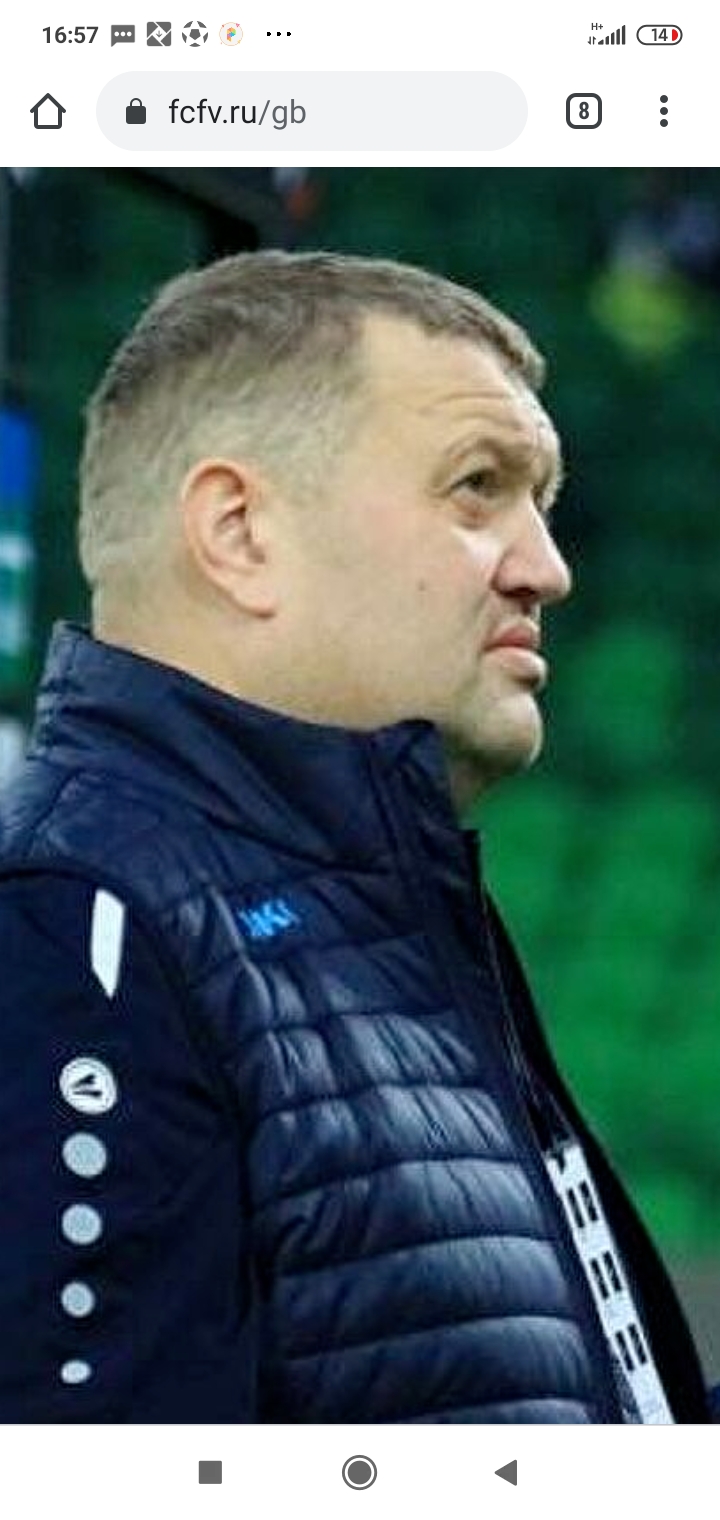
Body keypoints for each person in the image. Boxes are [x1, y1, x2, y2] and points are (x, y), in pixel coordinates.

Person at [0, 250, 712, 1424]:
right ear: (239, 531)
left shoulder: (383, 899)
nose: (548, 569)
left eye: (542, 502)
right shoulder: (79, 923)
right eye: (478, 486)